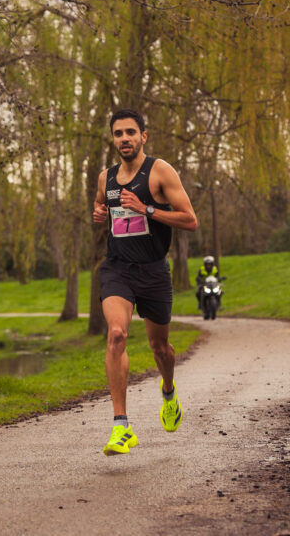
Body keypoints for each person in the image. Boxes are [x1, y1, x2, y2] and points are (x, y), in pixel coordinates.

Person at [92, 108, 198, 456]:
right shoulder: (104, 177)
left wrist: (146, 209)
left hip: (153, 271)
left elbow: (189, 220)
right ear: (113, 138)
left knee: (160, 349)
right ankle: (121, 426)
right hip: (117, 268)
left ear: (143, 136)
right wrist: (99, 213)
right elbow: (100, 207)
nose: (124, 139)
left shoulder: (160, 171)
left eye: (130, 133)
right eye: (118, 133)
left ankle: (168, 391)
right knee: (117, 334)